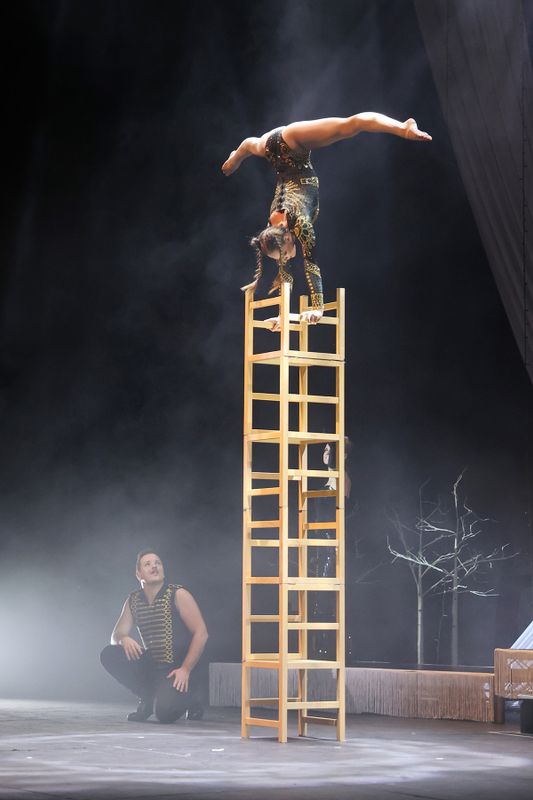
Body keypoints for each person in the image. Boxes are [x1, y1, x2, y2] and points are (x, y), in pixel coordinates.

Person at [222, 113, 431, 329]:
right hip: (270, 148)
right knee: (251, 145)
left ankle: (404, 128)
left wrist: (318, 308)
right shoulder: (272, 234)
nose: (287, 258)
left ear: (286, 234)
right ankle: (236, 156)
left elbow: (310, 263)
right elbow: (285, 273)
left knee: (351, 125)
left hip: (291, 142)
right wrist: (283, 317)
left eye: (285, 254)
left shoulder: (300, 223)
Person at [100, 550, 208, 723]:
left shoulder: (178, 594)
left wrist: (186, 669)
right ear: (138, 574)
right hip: (152, 666)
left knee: (164, 715)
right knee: (109, 654)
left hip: (178, 668)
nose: (154, 566)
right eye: (147, 564)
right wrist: (124, 639)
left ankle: (191, 698)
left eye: (158, 562)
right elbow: (115, 637)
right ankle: (146, 698)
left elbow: (201, 633)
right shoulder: (133, 600)